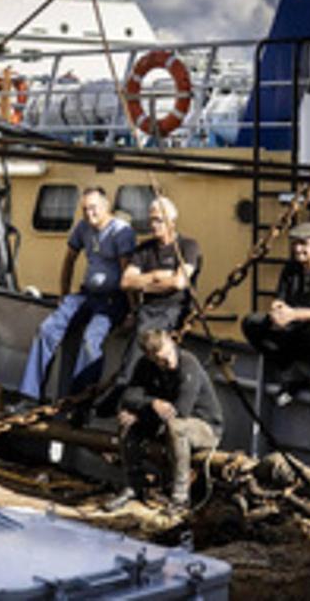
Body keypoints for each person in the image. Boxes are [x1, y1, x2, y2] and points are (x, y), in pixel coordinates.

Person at [19, 186, 136, 401]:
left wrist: (132, 311)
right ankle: (30, 396)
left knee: (91, 341)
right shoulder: (83, 228)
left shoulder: (121, 232)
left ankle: (77, 401)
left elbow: (127, 273)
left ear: (106, 206)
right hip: (86, 295)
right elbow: (69, 259)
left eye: (93, 208)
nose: (89, 214)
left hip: (112, 299)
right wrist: (63, 293)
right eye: (84, 209)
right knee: (47, 330)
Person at [105, 329, 223, 513]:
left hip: (203, 427)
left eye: (169, 354)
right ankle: (133, 486)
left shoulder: (188, 364)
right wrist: (151, 403)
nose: (168, 361)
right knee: (127, 422)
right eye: (161, 359)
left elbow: (181, 411)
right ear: (150, 357)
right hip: (164, 421)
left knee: (176, 427)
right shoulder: (145, 365)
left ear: (172, 343)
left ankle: (180, 497)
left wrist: (143, 413)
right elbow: (129, 397)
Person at [241, 221, 310, 407]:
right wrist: (278, 312)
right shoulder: (291, 268)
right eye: (294, 244)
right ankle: (291, 371)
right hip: (297, 331)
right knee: (252, 323)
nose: (298, 249)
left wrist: (295, 314)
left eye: (303, 244)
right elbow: (280, 298)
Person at [106, 197, 200, 402]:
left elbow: (179, 283)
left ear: (171, 222)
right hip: (148, 309)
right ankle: (128, 390)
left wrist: (145, 281)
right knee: (142, 327)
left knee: (144, 334)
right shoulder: (145, 249)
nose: (153, 225)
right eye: (151, 220)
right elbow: (126, 282)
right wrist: (159, 275)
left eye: (158, 220)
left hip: (174, 309)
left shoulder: (187, 247)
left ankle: (122, 389)